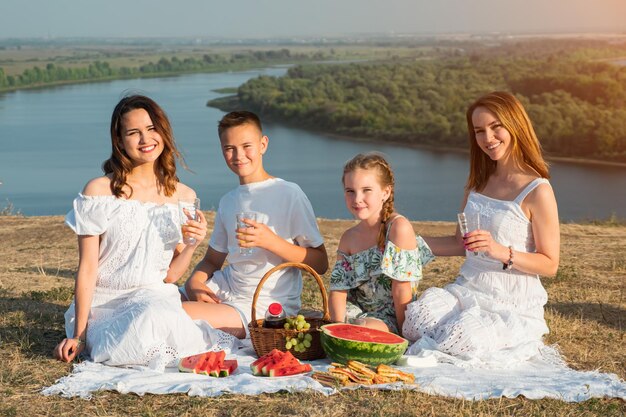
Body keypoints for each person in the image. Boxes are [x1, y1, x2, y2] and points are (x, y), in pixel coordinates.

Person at [53, 95, 238, 370]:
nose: (145, 139)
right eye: (133, 132)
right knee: (150, 325)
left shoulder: (184, 196)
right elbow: (88, 268)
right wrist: (79, 335)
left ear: (163, 132)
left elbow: (171, 276)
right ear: (119, 140)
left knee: (158, 314)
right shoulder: (99, 191)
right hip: (105, 307)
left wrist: (191, 245)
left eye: (151, 129)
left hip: (155, 299)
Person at [402, 91, 560, 365]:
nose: (488, 138)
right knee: (416, 319)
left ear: (515, 125)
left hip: (510, 301)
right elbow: (458, 243)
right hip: (467, 289)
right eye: (479, 131)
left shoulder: (537, 189)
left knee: (461, 337)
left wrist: (500, 251)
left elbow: (550, 264)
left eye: (496, 127)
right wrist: (404, 241)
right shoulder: (477, 182)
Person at [182, 111, 328, 339]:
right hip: (224, 290)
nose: (238, 155)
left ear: (263, 144)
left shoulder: (289, 194)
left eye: (246, 146)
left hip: (264, 307)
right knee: (159, 299)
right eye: (229, 148)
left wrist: (271, 242)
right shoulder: (228, 201)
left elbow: (320, 263)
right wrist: (194, 283)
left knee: (174, 315)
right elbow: (212, 260)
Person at [328, 152, 434, 335]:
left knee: (361, 330)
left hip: (391, 318)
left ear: (385, 192)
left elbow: (401, 290)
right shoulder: (348, 237)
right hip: (355, 314)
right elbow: (338, 289)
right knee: (339, 326)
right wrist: (336, 329)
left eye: (366, 190)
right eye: (350, 191)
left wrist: (405, 335)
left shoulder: (398, 228)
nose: (357, 199)